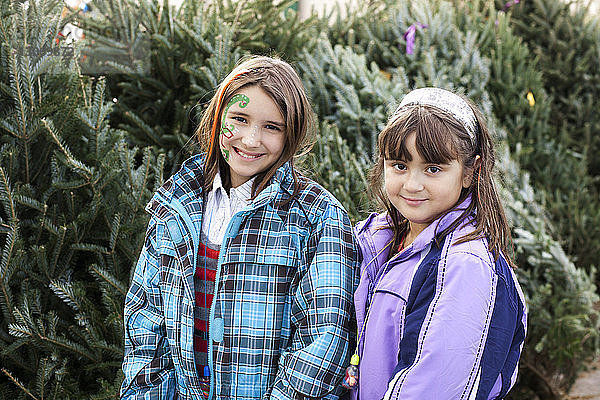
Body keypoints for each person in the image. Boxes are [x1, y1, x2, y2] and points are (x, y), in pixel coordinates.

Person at [121, 55, 359, 399]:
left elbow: (323, 341)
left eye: (271, 127)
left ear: (291, 134)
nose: (250, 139)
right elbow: (145, 320)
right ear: (219, 119)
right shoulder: (177, 203)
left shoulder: (318, 218)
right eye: (239, 119)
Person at [350, 88, 527, 399]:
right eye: (400, 166)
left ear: (471, 171)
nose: (412, 184)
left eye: (433, 169)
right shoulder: (378, 238)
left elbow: (433, 386)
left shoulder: (463, 264)